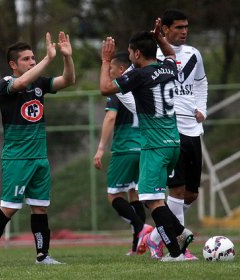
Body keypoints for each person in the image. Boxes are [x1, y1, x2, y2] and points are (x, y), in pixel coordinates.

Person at [0, 31, 75, 267]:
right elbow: (21, 83)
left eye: (33, 58)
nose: (32, 61)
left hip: (40, 157)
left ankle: (43, 256)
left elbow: (67, 81)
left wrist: (67, 58)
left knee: (40, 207)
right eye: (26, 59)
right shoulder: (6, 84)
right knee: (9, 208)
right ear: (13, 64)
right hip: (17, 158)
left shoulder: (39, 83)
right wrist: (47, 60)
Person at [99, 19, 194, 262]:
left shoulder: (140, 75)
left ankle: (175, 252)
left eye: (130, 51)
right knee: (154, 198)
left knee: (151, 200)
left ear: (137, 53)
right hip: (174, 143)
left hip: (154, 146)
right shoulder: (169, 67)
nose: (129, 55)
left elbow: (105, 88)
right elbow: (171, 53)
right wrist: (160, 38)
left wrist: (106, 61)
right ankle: (181, 233)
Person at [144, 9, 208, 261]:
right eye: (179, 27)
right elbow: (127, 87)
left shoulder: (194, 54)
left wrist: (201, 108)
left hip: (193, 129)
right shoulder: (155, 55)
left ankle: (156, 237)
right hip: (169, 131)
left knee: (191, 193)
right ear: (166, 30)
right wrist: (149, 114)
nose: (184, 31)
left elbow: (201, 82)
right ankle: (179, 246)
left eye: (186, 27)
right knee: (177, 192)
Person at [93, 52, 152, 256]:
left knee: (113, 195)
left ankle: (141, 227)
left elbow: (110, 117)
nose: (109, 73)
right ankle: (137, 247)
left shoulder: (118, 87)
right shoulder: (142, 85)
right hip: (143, 147)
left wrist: (101, 148)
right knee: (133, 194)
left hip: (125, 148)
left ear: (120, 70)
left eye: (111, 69)